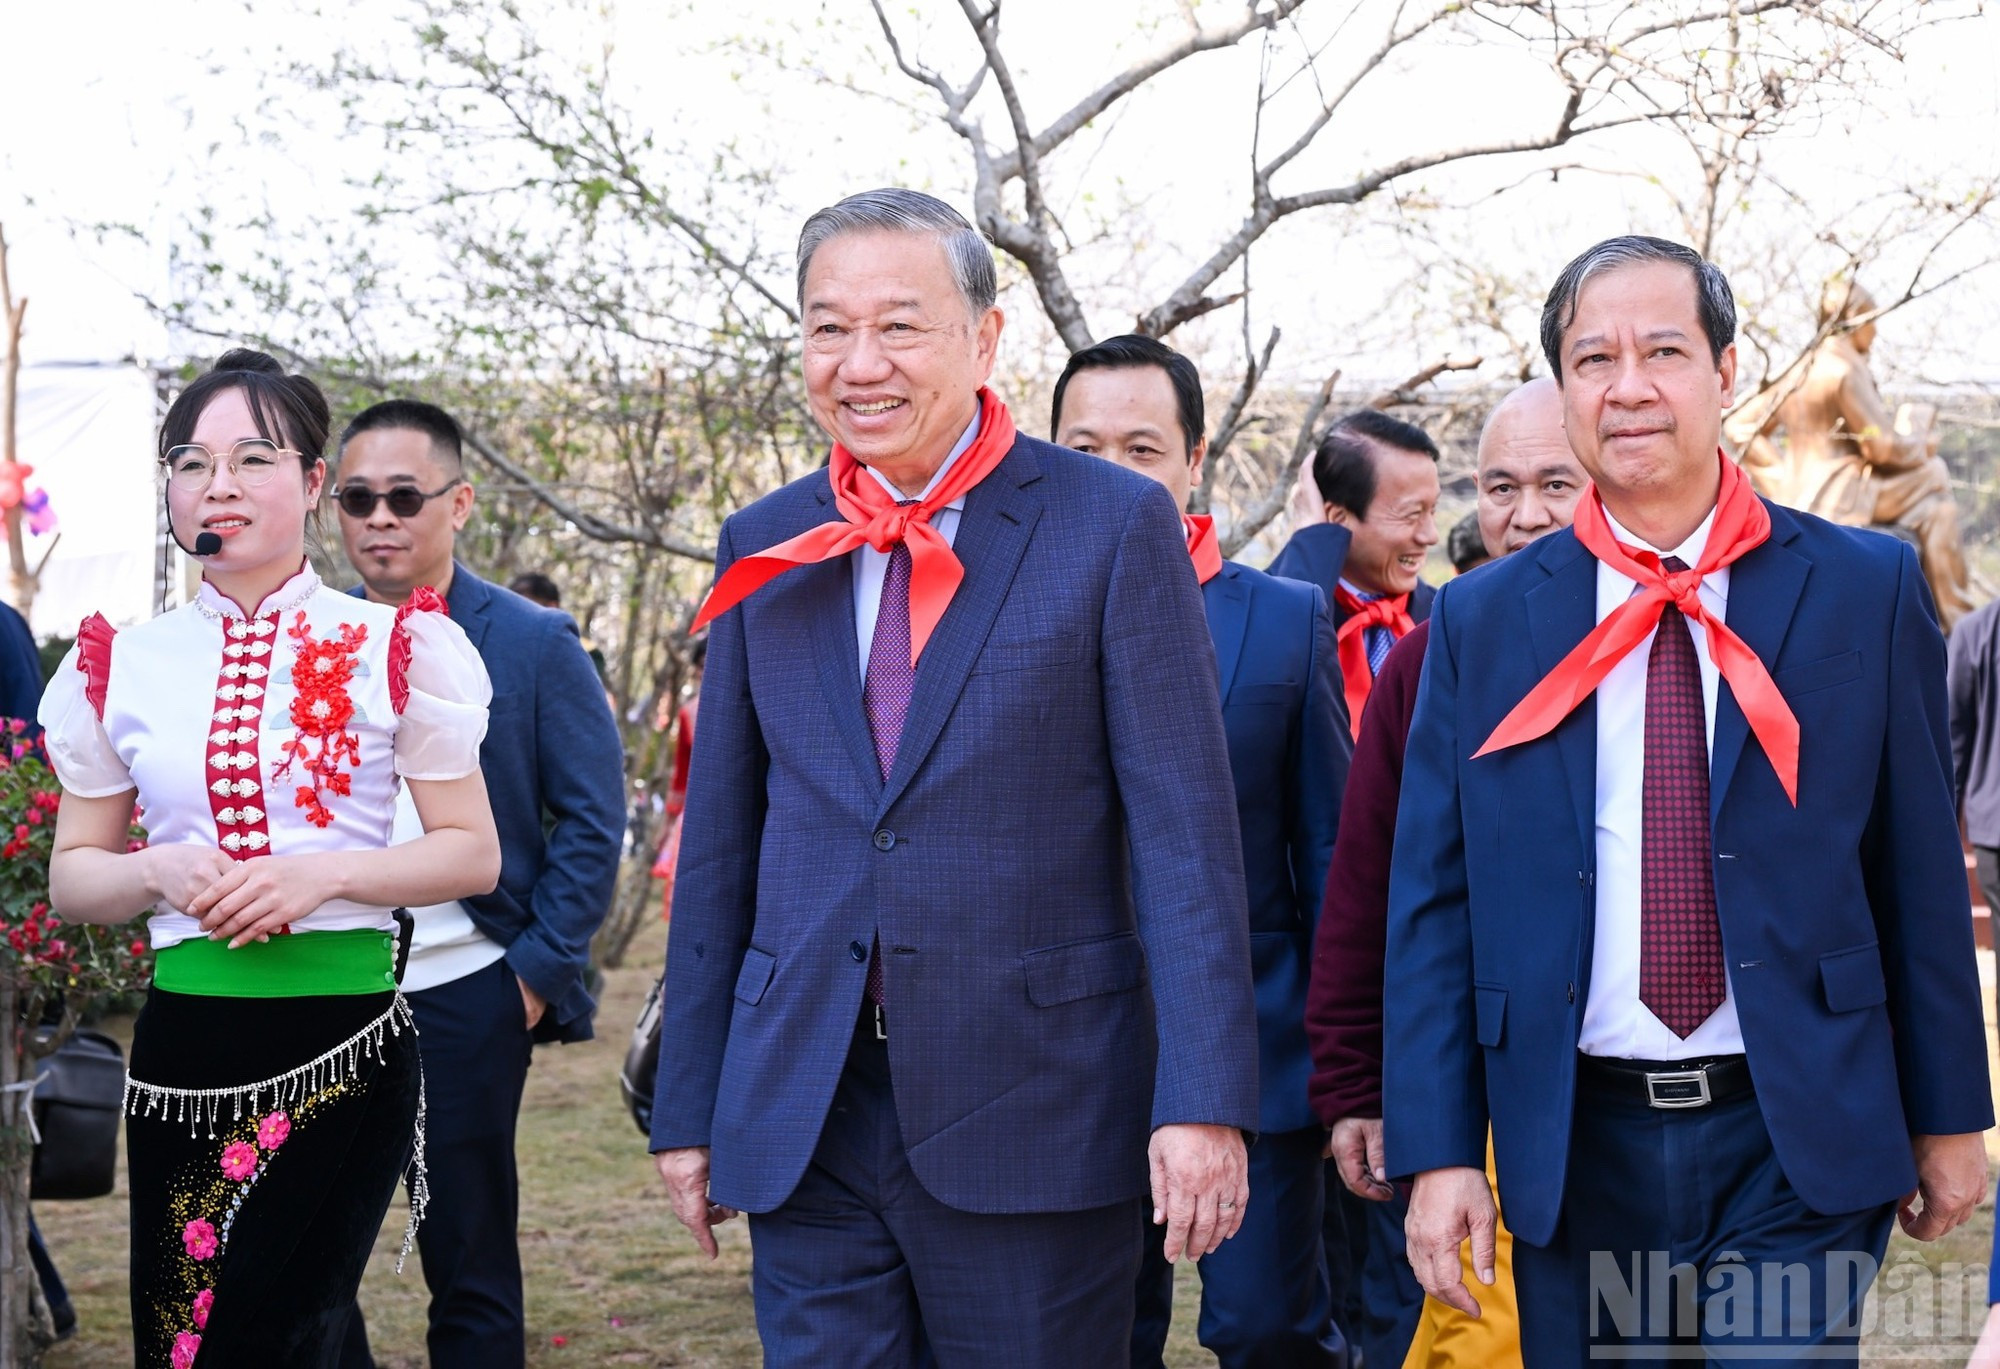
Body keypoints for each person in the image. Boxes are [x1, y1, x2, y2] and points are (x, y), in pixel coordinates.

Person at [648, 189, 1258, 1366]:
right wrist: (690, 1102)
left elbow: (1184, 843)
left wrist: (1200, 1100)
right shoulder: (762, 541)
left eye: (898, 326)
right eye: (828, 328)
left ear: (983, 339)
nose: (859, 363)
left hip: (1035, 1103)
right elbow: (721, 839)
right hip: (808, 1101)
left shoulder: (1111, 524)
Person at [1384, 236, 1992, 1365]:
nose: (1627, 386)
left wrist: (1951, 1112)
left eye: (1661, 351)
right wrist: (1440, 1149)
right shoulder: (1481, 620)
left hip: (1792, 1127)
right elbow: (1432, 899)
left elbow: (1914, 865)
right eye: (1592, 359)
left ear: (1724, 371)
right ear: (1563, 388)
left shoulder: (1862, 588)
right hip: (1577, 1138)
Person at [39, 349, 500, 1366]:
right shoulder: (120, 662)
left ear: (313, 480)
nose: (221, 485)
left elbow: (472, 853)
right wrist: (156, 870)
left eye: (254, 458)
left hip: (343, 1043)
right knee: (182, 1343)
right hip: (182, 1053)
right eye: (192, 462)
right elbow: (74, 877)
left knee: (274, 1336)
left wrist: (323, 873)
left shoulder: (394, 645)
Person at [1050, 333, 1351, 1368]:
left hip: (1257, 1051)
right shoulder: (991, 619)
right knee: (1093, 1339)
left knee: (1269, 1329)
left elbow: (1328, 854)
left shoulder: (1283, 620)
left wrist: (1353, 1067)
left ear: (1193, 457)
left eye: (1141, 448)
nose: (1112, 474)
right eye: (1084, 449)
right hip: (1066, 1058)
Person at [330, 399, 626, 1369]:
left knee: (468, 1259)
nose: (380, 517)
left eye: (404, 496)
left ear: (458, 503)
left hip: (469, 991)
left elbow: (593, 819)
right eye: (357, 498)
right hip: (322, 986)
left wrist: (532, 974)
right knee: (302, 1257)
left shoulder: (535, 642)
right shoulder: (309, 638)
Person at [1306, 377, 1584, 1369]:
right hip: (1474, 1083)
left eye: (1556, 483)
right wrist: (1353, 1079)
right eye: (1500, 487)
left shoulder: (1680, 644)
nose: (1524, 514)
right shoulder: (1427, 661)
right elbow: (1369, 882)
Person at [1726, 279, 1971, 631]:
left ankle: (1958, 622)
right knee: (1935, 474)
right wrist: (1921, 441)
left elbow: (1739, 424)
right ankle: (1960, 624)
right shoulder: (1844, 369)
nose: (1875, 330)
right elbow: (1882, 447)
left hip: (1809, 492)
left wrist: (1783, 477)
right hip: (1848, 493)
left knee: (1937, 510)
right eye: (1872, 319)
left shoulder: (1801, 366)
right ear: (1855, 317)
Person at [1273, 410, 1440, 735]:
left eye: (1432, 510)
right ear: (1338, 518)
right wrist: (1312, 539)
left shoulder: (1444, 617)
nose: (1430, 535)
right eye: (1411, 514)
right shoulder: (1266, 606)